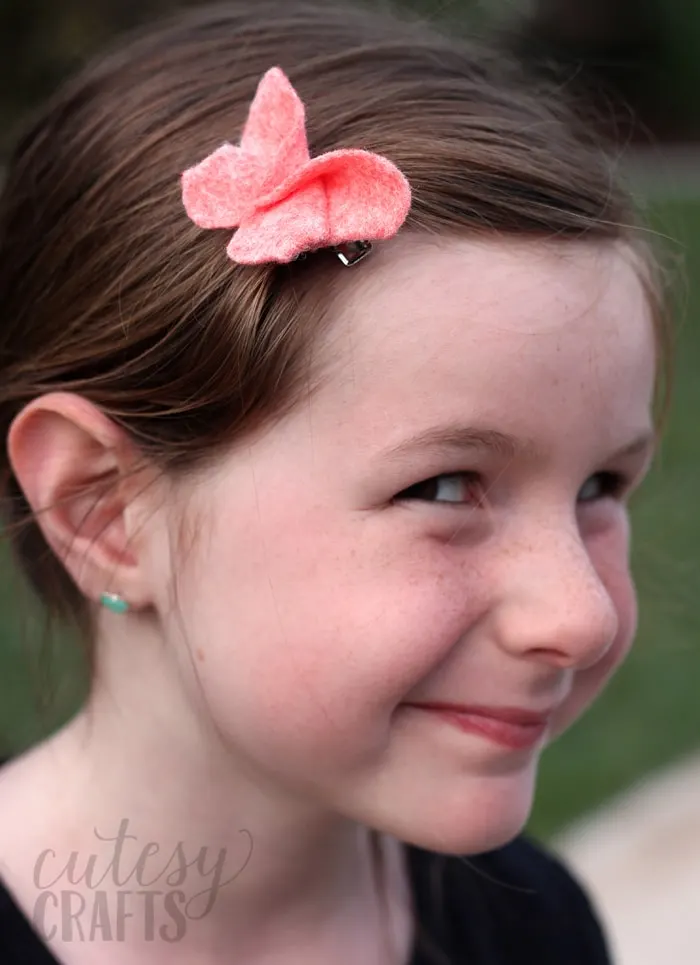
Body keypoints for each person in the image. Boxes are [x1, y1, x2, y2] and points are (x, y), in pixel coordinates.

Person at [0, 1, 666, 962]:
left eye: (602, 484)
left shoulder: (528, 926)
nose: (582, 615)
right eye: (444, 487)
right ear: (103, 507)